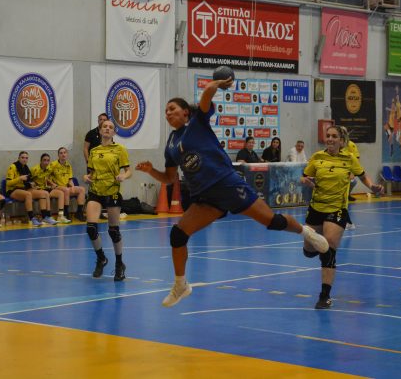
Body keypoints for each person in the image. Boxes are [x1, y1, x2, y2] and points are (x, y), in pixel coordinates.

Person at [135, 77, 329, 307]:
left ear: (185, 112)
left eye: (172, 108)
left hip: (226, 183)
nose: (168, 113)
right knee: (178, 235)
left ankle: (306, 233)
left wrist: (216, 83)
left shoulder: (197, 123)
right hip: (205, 197)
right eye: (166, 111)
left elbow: (206, 95)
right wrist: (151, 171)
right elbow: (169, 178)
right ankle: (180, 285)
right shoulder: (171, 143)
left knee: (272, 221)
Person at [300, 125, 384, 309]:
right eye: (328, 136)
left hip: (337, 209)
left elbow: (363, 176)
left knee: (329, 248)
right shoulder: (317, 157)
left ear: (341, 140)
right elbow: (304, 176)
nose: (330, 139)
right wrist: (306, 181)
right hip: (316, 207)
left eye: (334, 136)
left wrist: (373, 187)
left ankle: (324, 296)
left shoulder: (349, 158)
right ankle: (315, 249)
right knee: (308, 250)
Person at [84, 119, 132, 281]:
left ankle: (119, 264)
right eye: (104, 126)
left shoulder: (120, 149)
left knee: (113, 231)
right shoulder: (94, 151)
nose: (107, 128)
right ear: (100, 130)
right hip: (96, 192)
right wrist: (86, 177)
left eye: (110, 127)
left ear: (114, 132)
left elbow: (128, 171)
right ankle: (101, 258)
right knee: (91, 228)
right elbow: (91, 173)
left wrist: (123, 176)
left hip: (112, 192)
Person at [5, 151, 54, 227]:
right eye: (22, 157)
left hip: (24, 189)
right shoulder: (13, 167)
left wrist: (33, 185)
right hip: (13, 190)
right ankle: (32, 218)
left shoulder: (26, 167)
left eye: (26, 158)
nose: (24, 159)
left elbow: (28, 181)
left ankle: (46, 216)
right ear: (18, 158)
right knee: (28, 194)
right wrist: (19, 178)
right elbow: (8, 183)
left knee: (44, 193)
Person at [50, 147, 86, 222]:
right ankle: (66, 212)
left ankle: (79, 212)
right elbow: (46, 178)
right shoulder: (53, 165)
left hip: (66, 187)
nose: (63, 154)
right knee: (66, 190)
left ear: (67, 154)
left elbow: (70, 180)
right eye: (61, 153)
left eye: (64, 153)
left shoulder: (68, 165)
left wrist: (72, 186)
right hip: (57, 187)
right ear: (58, 155)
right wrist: (53, 184)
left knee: (82, 189)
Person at [31, 153, 65, 225]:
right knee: (45, 194)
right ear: (41, 161)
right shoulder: (35, 169)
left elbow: (47, 178)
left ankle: (60, 216)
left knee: (60, 193)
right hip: (38, 190)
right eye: (44, 160)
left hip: (46, 188)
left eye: (48, 160)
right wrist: (35, 187)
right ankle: (48, 216)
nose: (46, 162)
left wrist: (52, 184)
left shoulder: (49, 169)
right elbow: (30, 181)